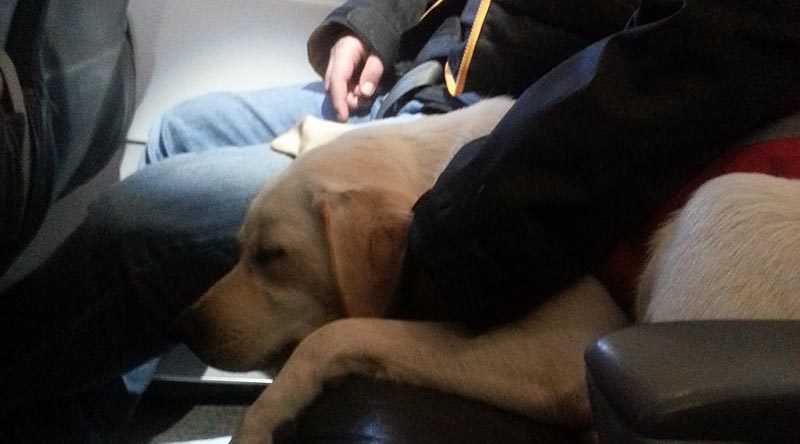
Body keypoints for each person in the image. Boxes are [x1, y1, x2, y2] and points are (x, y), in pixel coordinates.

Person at [1, 0, 798, 441]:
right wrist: (367, 27)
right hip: (414, 93)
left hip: (496, 136)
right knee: (182, 126)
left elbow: (638, 86)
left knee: (147, 224)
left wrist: (455, 208)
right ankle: (90, 419)